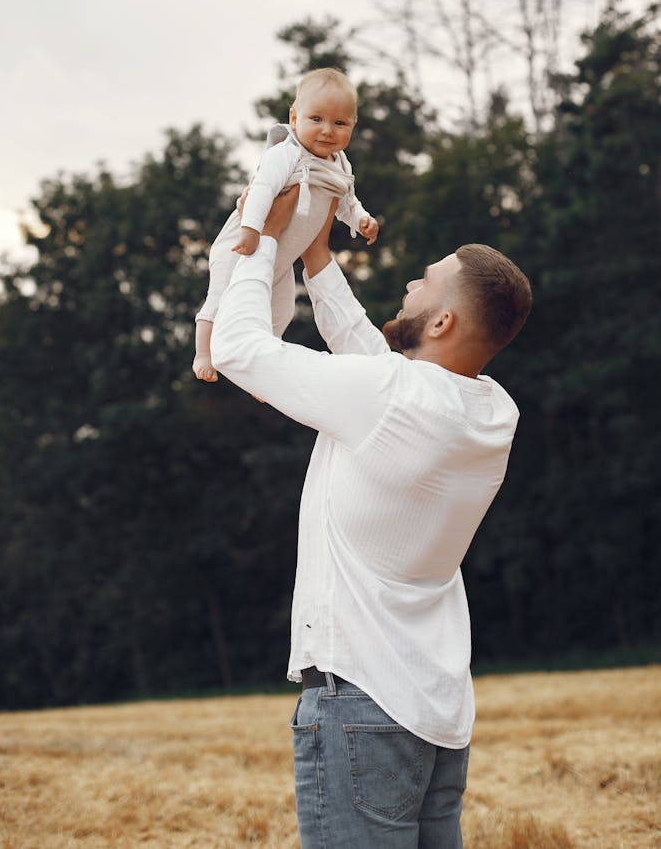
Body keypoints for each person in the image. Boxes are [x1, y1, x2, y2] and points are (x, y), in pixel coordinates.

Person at [211, 187, 532, 849]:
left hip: (360, 703)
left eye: (426, 280)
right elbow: (378, 365)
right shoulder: (492, 412)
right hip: (435, 712)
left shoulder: (393, 397)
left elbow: (239, 348)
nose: (411, 282)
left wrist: (262, 239)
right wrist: (319, 258)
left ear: (441, 322)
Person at [193, 67, 379, 382]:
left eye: (339, 123)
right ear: (294, 118)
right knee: (221, 292)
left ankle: (261, 376)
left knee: (281, 313)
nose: (327, 131)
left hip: (281, 258)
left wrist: (361, 219)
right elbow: (262, 188)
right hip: (243, 245)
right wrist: (251, 230)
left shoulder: (341, 164)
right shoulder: (287, 153)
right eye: (316, 119)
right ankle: (203, 352)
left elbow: (347, 201)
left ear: (353, 124)